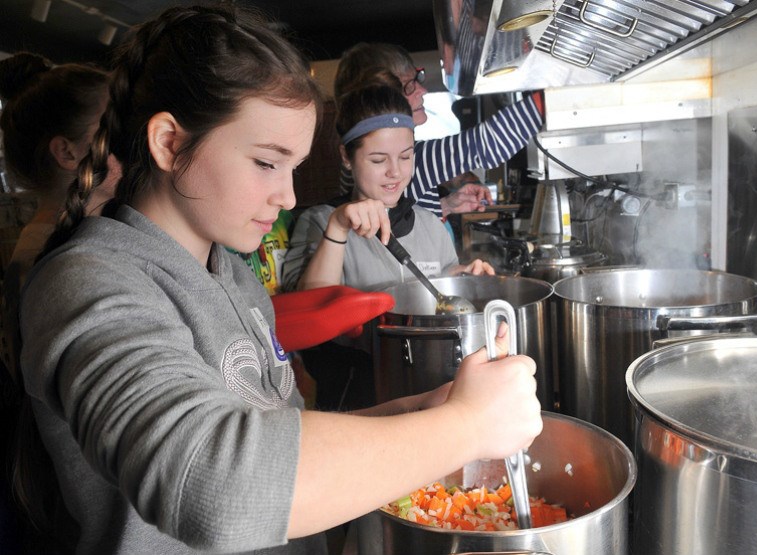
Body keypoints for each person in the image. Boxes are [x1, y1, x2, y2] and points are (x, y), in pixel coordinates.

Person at [16, 6, 542, 555]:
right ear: (170, 143)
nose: (289, 196)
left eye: (292, 168)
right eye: (267, 163)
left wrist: (422, 415)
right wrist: (465, 426)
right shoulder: (86, 283)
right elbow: (210, 481)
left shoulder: (231, 274)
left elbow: (273, 431)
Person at [0, 53, 120, 553]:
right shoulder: (58, 259)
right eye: (114, 127)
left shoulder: (66, 241)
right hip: (69, 497)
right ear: (68, 153)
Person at [284, 84, 495, 294]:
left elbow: (443, 281)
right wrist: (338, 228)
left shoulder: (431, 224)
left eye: (405, 156)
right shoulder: (319, 222)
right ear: (346, 157)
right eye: (378, 160)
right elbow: (309, 306)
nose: (395, 172)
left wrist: (462, 275)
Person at [333, 42, 544, 218]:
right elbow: (486, 144)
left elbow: (399, 218)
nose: (422, 90)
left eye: (417, 80)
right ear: (382, 100)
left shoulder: (359, 156)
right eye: (409, 86)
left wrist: (446, 205)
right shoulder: (412, 160)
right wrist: (551, 96)